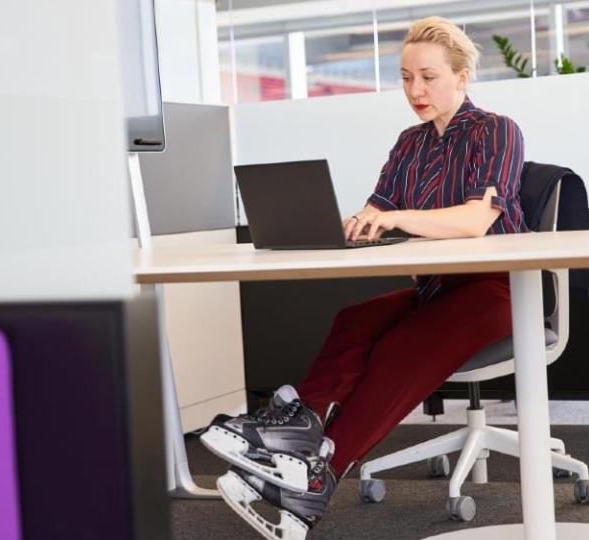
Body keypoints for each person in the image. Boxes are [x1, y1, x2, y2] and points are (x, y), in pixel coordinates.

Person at [201, 16, 527, 540]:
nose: (415, 90)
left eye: (428, 76)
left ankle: (315, 481)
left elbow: (474, 220)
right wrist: (351, 224)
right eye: (405, 78)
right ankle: (294, 437)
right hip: (436, 286)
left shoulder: (496, 131)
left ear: (461, 77)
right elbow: (378, 208)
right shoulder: (409, 144)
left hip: (501, 287)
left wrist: (395, 220)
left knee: (401, 345)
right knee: (355, 320)